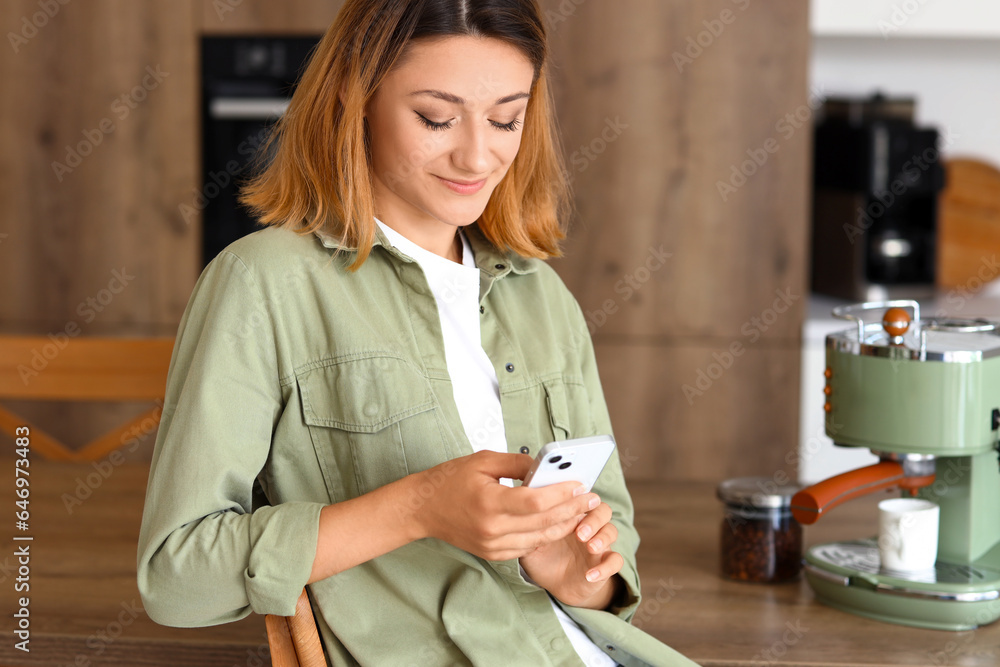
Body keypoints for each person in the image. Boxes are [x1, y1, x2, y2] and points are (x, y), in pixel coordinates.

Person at [136, 1, 698, 665]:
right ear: (356, 95)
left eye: (506, 118)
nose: (477, 153)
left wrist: (570, 569)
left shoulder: (543, 297)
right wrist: (419, 507)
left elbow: (611, 556)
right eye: (436, 117)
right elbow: (176, 577)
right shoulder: (261, 285)